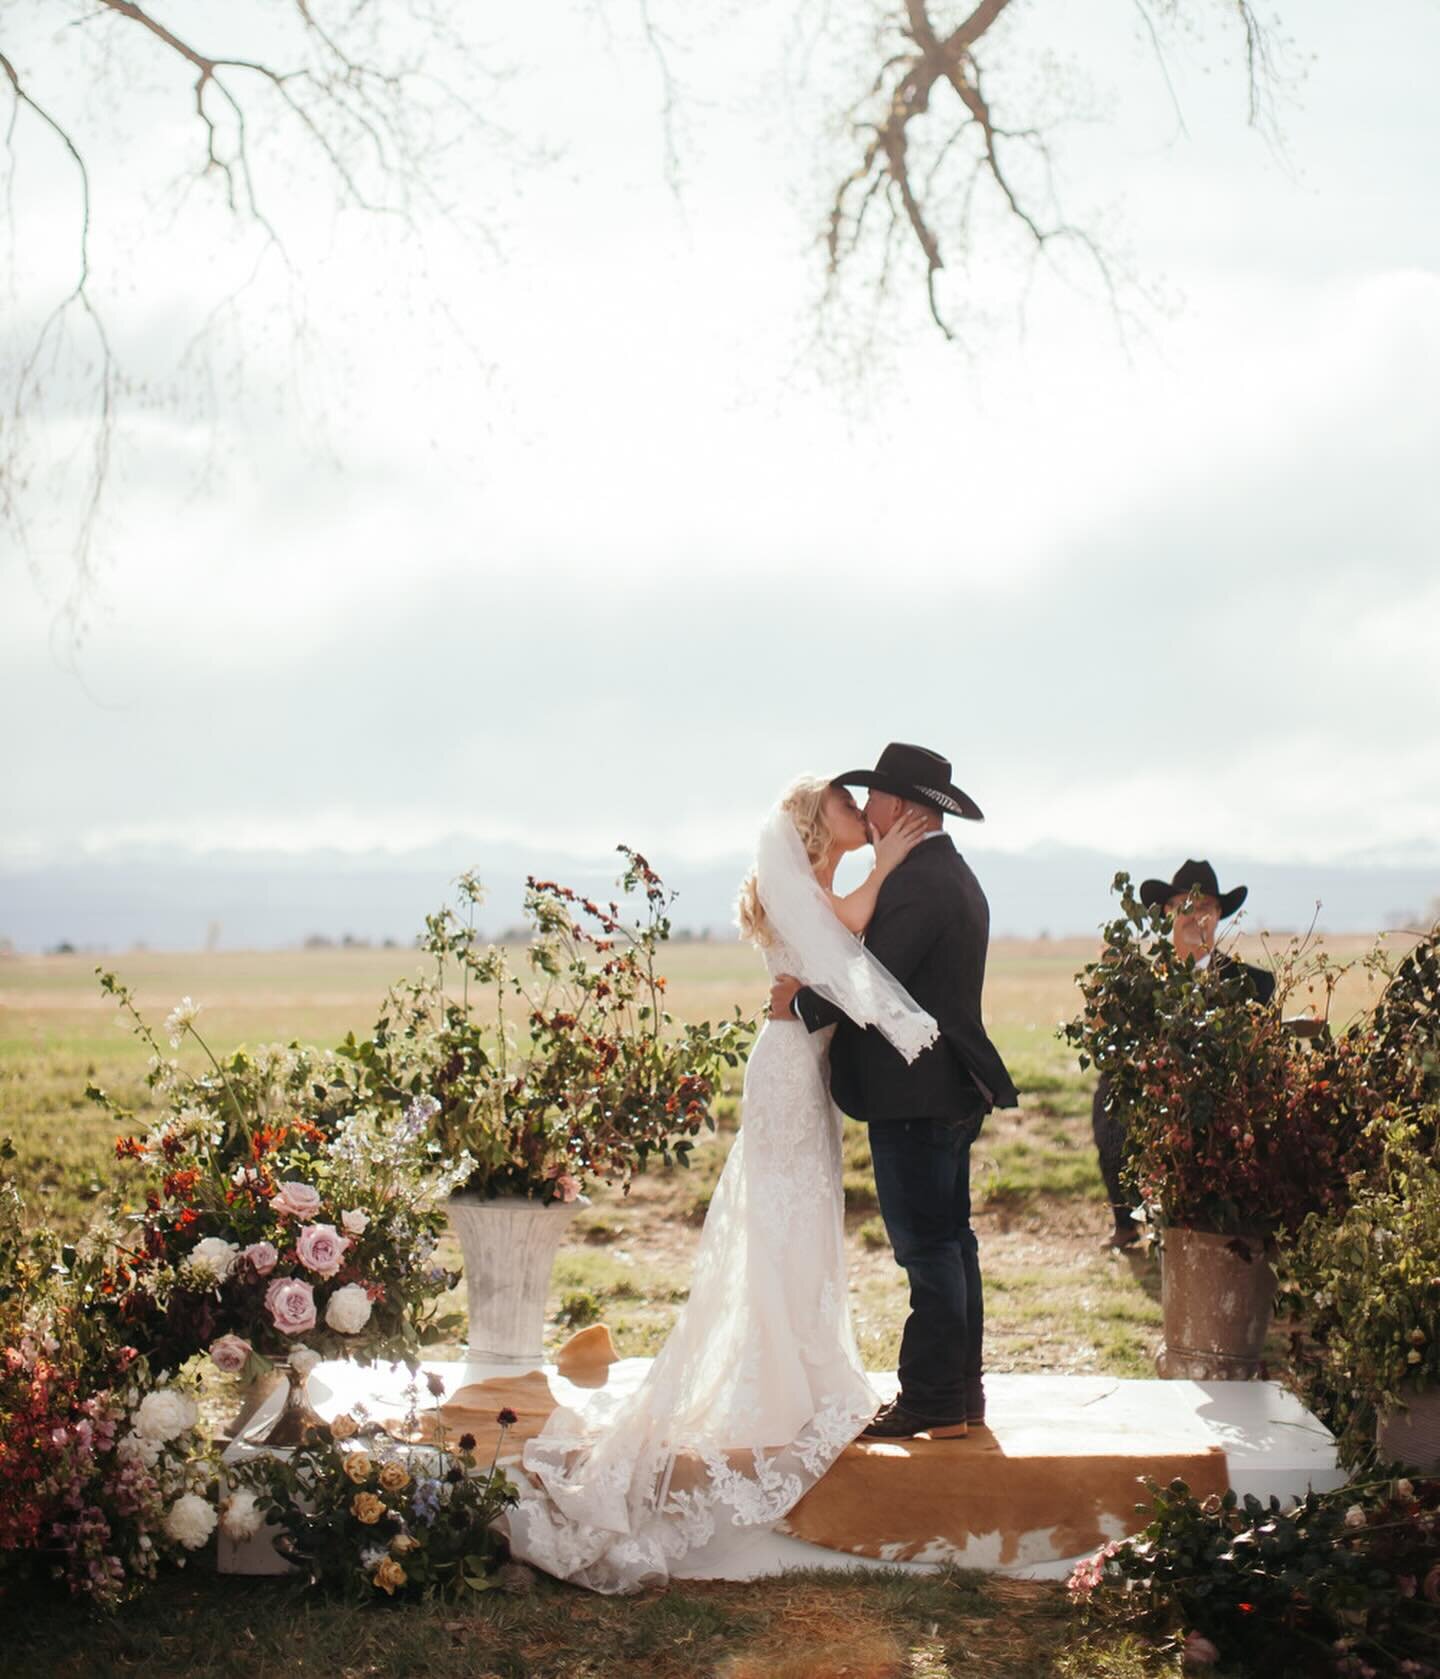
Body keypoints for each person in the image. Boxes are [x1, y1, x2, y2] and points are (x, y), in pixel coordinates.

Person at [500, 775, 936, 1593]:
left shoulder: (817, 886)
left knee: (799, 1214)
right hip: (785, 1073)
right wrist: (889, 863)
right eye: (845, 802)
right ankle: (779, 1378)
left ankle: (798, 1364)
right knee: (780, 1217)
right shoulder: (812, 889)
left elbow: (836, 958)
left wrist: (864, 890)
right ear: (815, 820)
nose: (858, 810)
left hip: (805, 1067)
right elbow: (848, 955)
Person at [770, 742, 1019, 1443]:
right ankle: (960, 1396)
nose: (868, 805)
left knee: (928, 1247)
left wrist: (800, 1008)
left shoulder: (922, 882)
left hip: (917, 1095)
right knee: (951, 1241)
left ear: (904, 806)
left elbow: (876, 979)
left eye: (876, 794)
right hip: (941, 1089)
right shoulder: (941, 872)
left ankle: (934, 1399)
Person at [1092, 859, 1277, 1250]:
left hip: (1219, 1103)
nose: (1196, 916)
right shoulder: (1140, 981)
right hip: (1155, 1098)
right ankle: (1127, 1219)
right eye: (1185, 907)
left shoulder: (1254, 984)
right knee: (1111, 1088)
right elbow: (1107, 1041)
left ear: (1220, 914)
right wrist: (1101, 993)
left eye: (1206, 907)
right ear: (1165, 913)